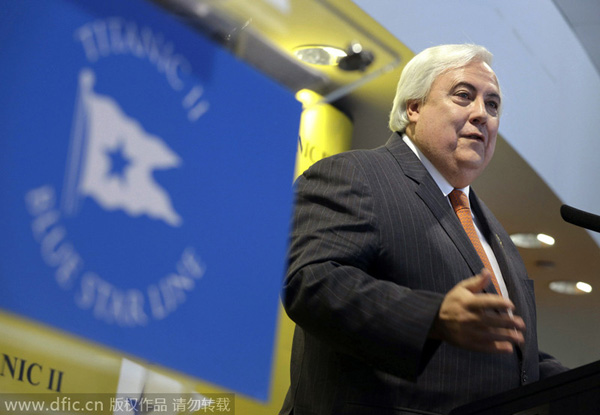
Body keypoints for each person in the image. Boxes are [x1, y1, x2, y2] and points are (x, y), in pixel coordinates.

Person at [279, 44, 568, 415]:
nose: (482, 114)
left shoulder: (493, 230)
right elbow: (312, 282)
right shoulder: (354, 174)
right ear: (413, 107)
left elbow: (509, 352)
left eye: (493, 104)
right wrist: (433, 317)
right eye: (463, 96)